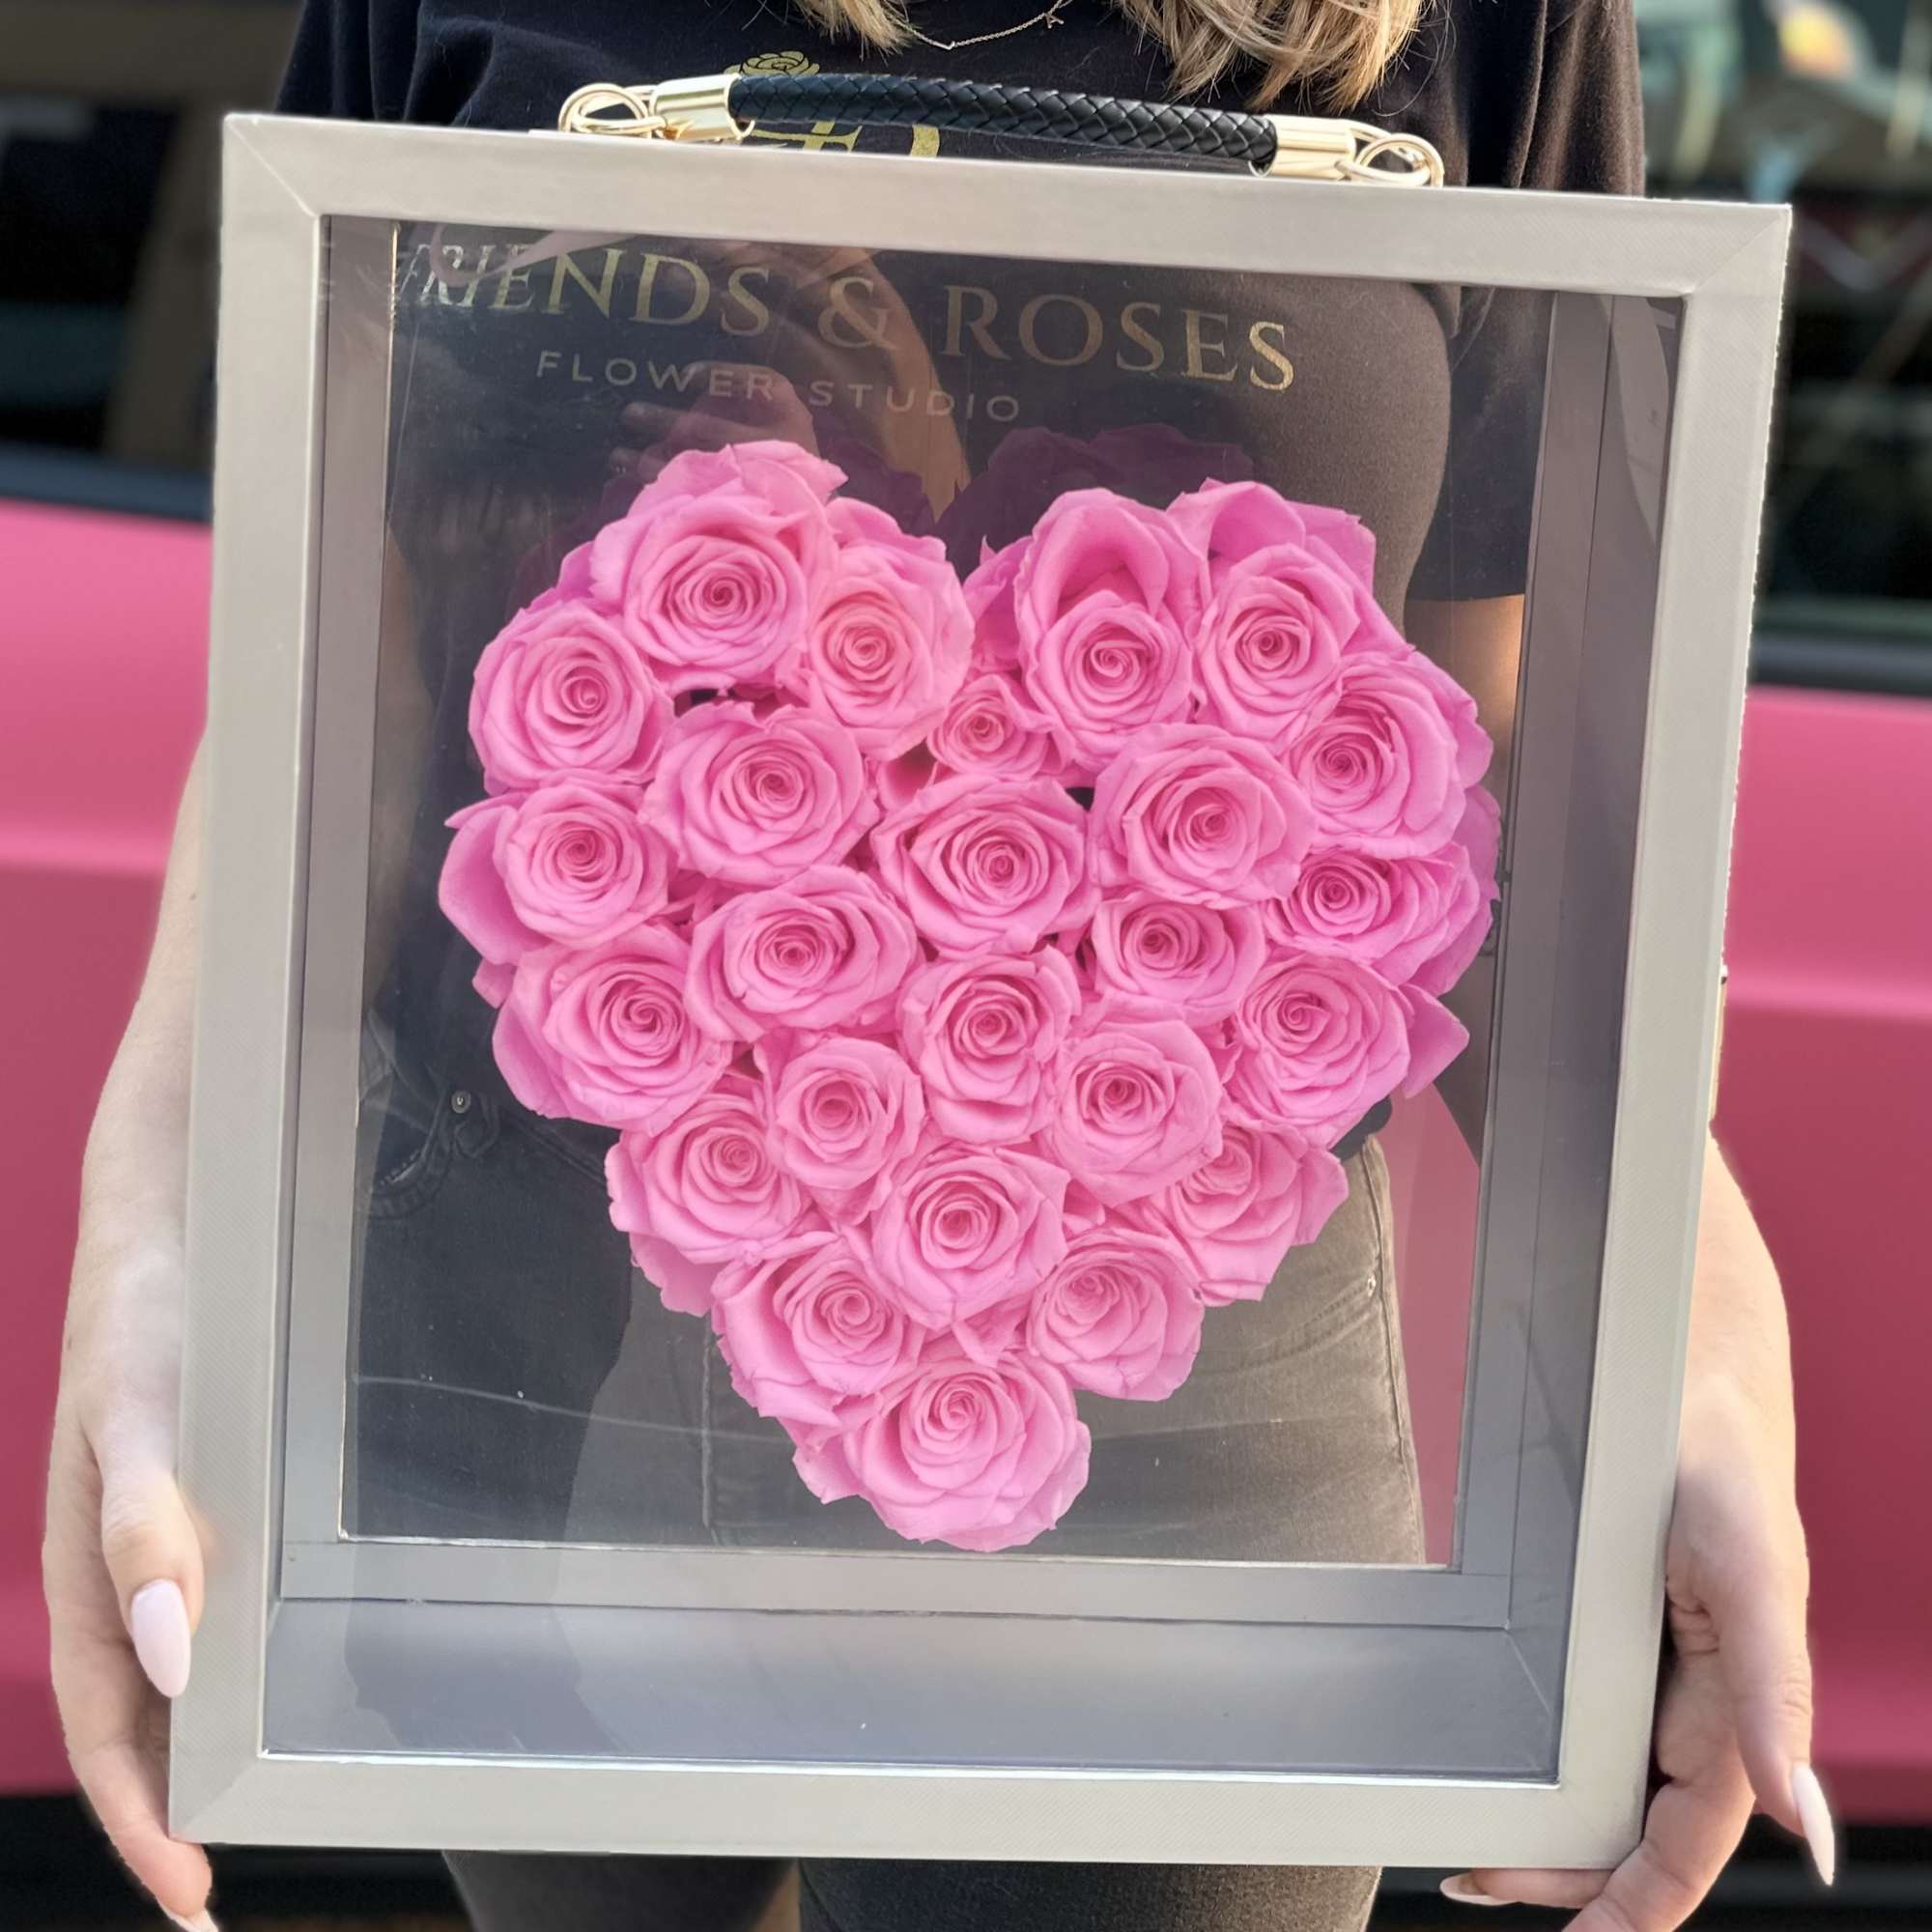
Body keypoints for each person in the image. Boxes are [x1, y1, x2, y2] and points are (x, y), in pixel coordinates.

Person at [43, 3, 1827, 1930]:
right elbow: (346, 694)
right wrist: (155, 1221)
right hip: (532, 1391)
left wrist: (1697, 1331)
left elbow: (1497, 766)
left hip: (1180, 1445)